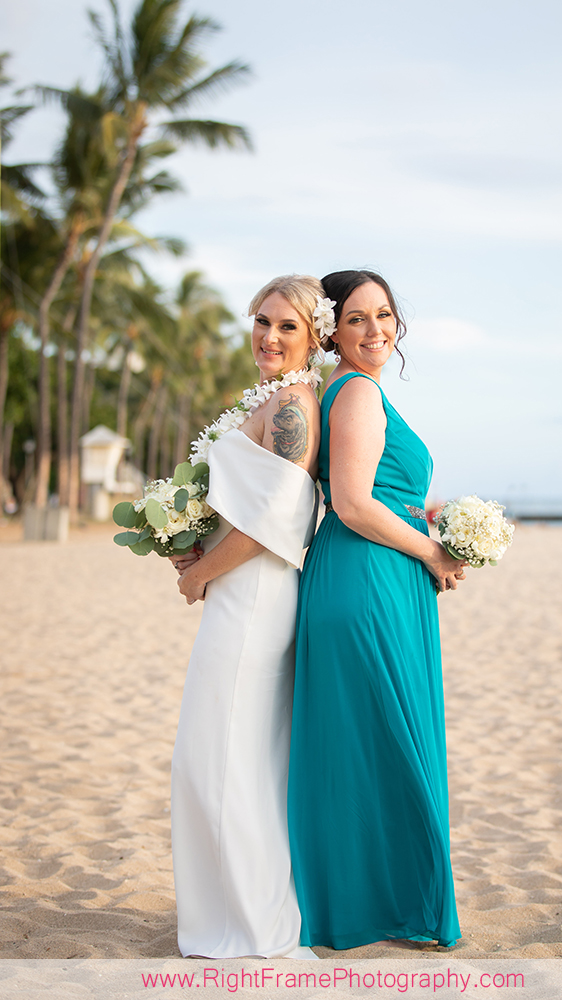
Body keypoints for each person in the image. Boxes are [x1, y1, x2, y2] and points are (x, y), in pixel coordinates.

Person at [288, 270, 465, 950]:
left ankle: (357, 900)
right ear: (331, 330)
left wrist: (442, 527)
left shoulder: (352, 393)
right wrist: (429, 552)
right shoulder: (356, 392)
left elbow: (380, 493)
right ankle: (386, 905)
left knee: (364, 743)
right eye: (357, 318)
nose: (375, 330)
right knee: (385, 743)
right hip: (367, 579)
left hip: (367, 574)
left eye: (384, 315)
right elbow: (355, 503)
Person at [170, 275, 329, 959]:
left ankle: (254, 927)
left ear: (313, 336)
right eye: (261, 321)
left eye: (287, 326)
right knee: (225, 757)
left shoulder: (292, 406)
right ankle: (231, 912)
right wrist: (187, 542)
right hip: (239, 590)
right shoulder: (267, 399)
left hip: (255, 595)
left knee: (223, 759)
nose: (269, 336)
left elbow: (274, 523)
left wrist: (202, 573)